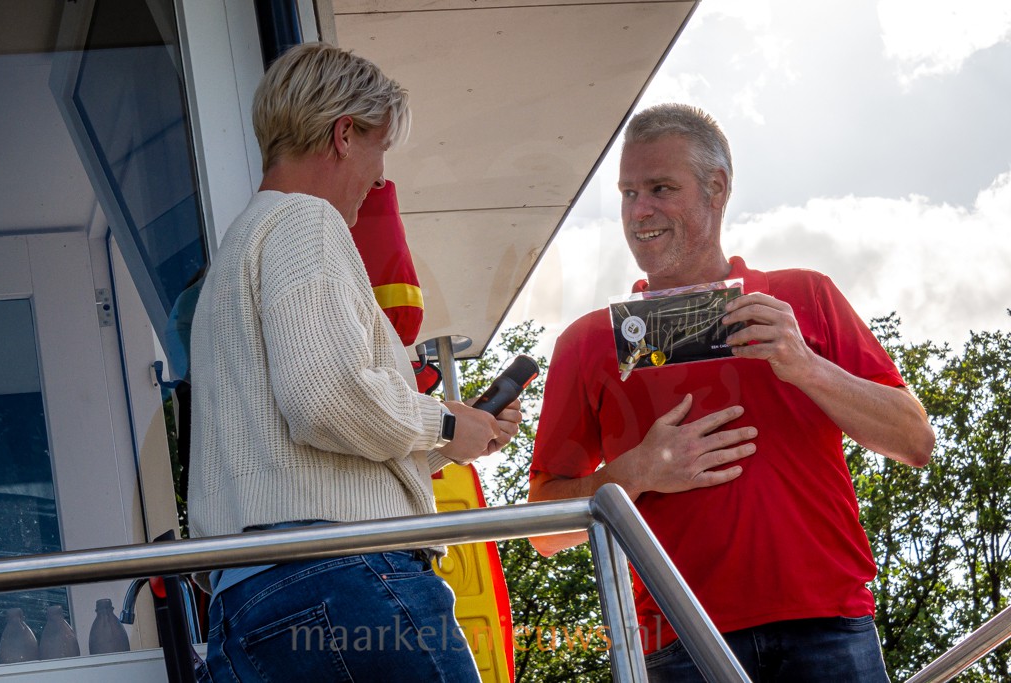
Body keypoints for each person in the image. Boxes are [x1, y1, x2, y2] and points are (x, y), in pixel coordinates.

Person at [527, 103, 935, 682]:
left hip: (831, 627)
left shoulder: (804, 296)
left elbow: (916, 441)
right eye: (628, 193)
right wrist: (634, 474)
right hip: (681, 645)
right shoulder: (587, 342)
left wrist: (806, 366)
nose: (639, 211)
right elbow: (545, 531)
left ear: (716, 188)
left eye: (661, 188)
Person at [188, 43, 520, 682]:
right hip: (344, 577)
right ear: (344, 135)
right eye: (379, 147)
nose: (379, 178)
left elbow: (303, 445)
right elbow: (325, 398)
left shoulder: (232, 257)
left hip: (248, 600)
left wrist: (446, 439)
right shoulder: (306, 221)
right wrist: (444, 423)